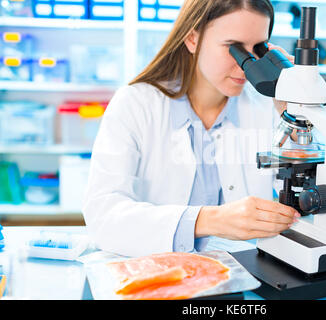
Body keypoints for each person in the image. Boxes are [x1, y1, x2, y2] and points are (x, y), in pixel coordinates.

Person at [82, 0, 300, 257]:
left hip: (244, 272)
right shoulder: (135, 104)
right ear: (192, 39)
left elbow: (305, 193)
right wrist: (210, 220)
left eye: (257, 49)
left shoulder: (267, 109)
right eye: (234, 48)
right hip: (156, 275)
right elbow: (103, 216)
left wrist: (295, 109)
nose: (245, 65)